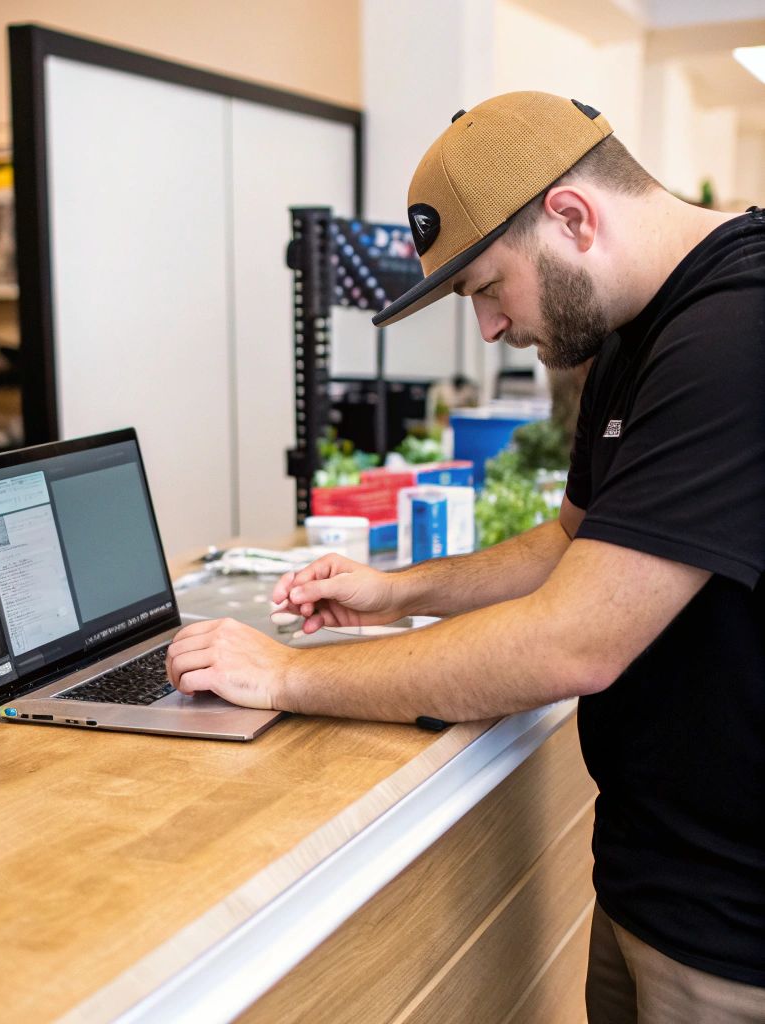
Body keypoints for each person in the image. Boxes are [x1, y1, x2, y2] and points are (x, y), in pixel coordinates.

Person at [164, 92, 764, 1021]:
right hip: (654, 873)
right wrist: (396, 591)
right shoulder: (636, 328)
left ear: (570, 215)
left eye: (487, 286)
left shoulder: (736, 336)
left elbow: (572, 643)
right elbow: (572, 540)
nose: (488, 327)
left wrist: (287, 677)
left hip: (735, 926)